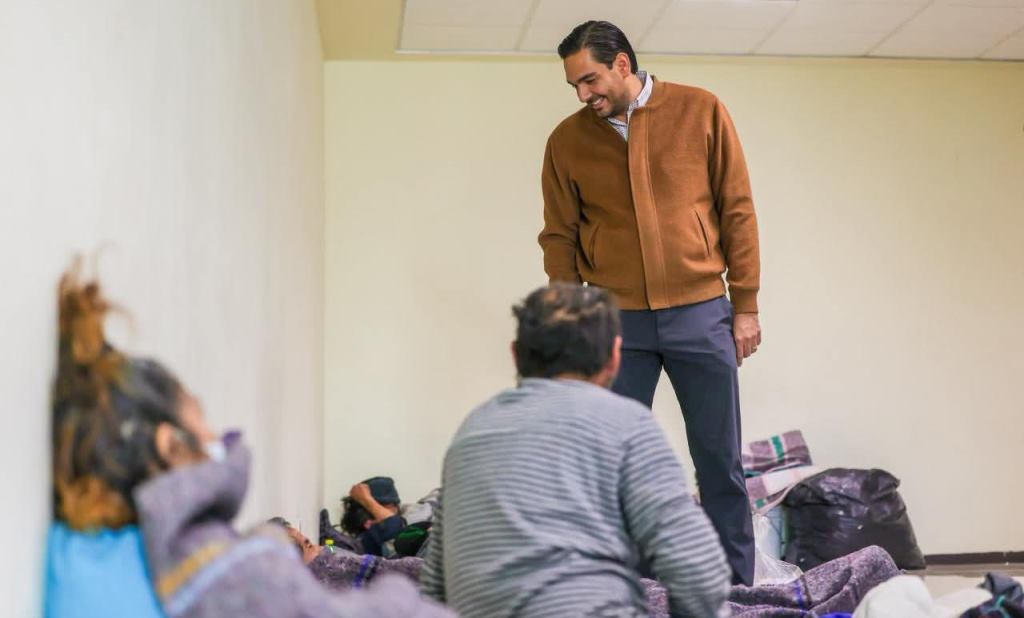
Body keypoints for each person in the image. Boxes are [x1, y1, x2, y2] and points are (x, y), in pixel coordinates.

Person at [44, 259, 453, 618]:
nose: (216, 437)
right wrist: (397, 594)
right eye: (201, 419)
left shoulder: (79, 556)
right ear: (169, 444)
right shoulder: (219, 568)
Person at [538, 20, 761, 584]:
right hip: (615, 323)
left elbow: (736, 208)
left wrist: (746, 305)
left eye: (589, 80)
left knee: (719, 460)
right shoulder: (566, 141)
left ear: (622, 64)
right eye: (574, 86)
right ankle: (625, 589)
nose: (583, 95)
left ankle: (736, 588)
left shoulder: (700, 110)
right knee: (614, 464)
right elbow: (560, 236)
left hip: (701, 311)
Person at [420, 283, 731, 618]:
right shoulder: (627, 424)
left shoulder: (472, 430)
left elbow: (436, 584)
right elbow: (698, 569)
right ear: (614, 356)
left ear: (515, 354)